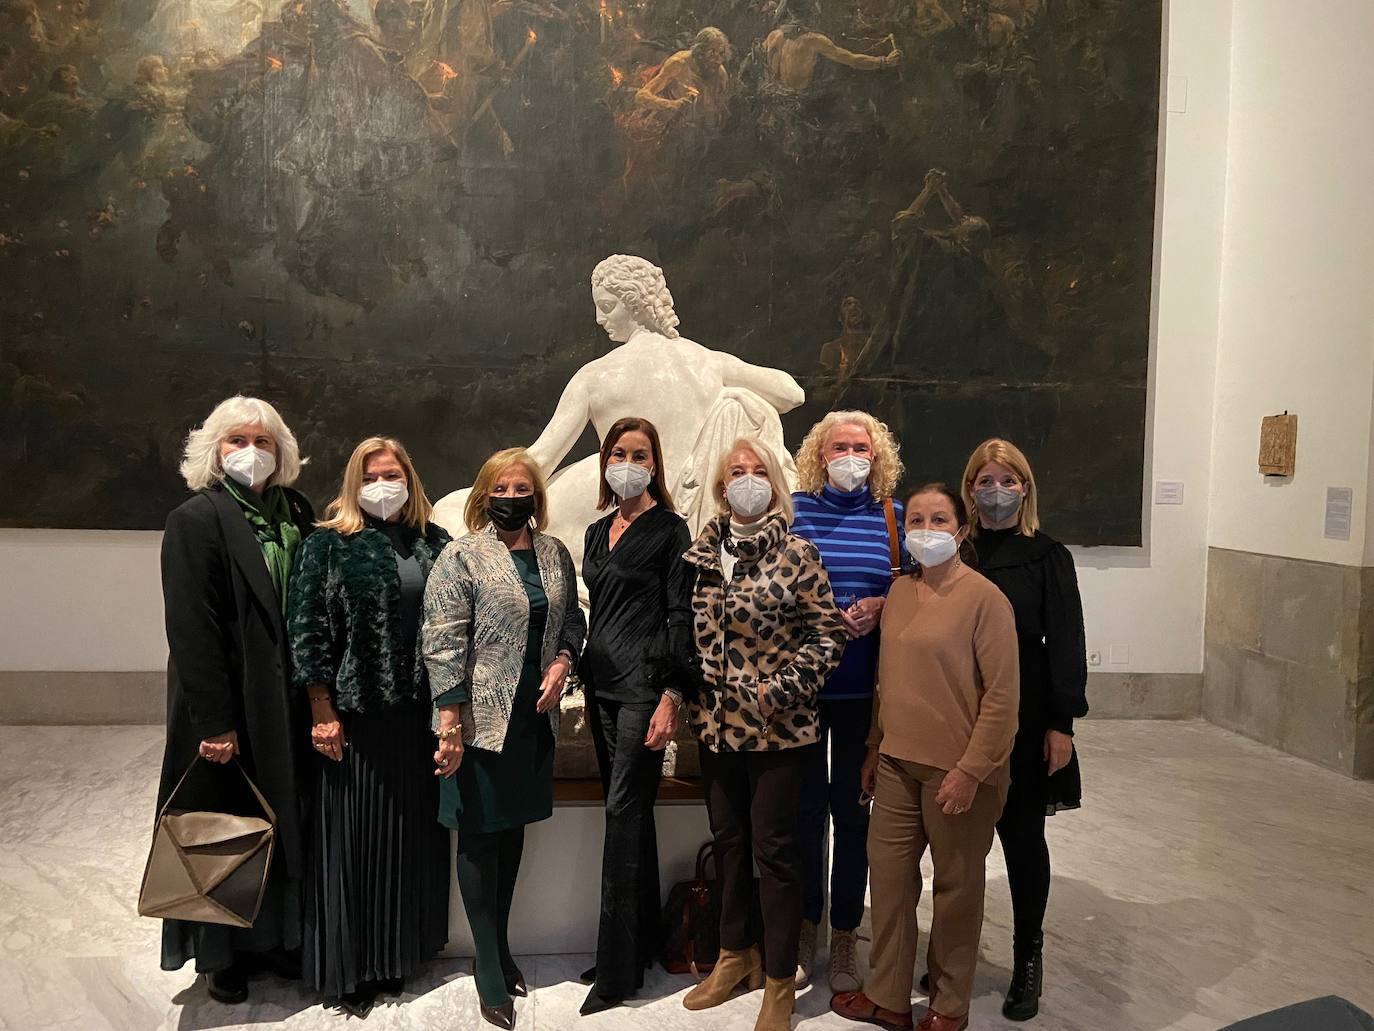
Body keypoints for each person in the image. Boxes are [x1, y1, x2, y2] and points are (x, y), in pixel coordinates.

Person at [832, 483, 1019, 1031]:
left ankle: (949, 1003)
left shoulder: (986, 600)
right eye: (916, 520)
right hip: (894, 763)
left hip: (959, 771)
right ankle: (887, 995)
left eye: (939, 519)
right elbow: (887, 683)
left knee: (957, 890)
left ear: (961, 530)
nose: (927, 530)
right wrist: (873, 747)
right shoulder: (901, 595)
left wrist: (971, 770)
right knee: (889, 883)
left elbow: (1003, 697)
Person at [680, 437, 846, 1031]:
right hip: (715, 729)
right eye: (736, 473)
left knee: (775, 854)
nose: (747, 481)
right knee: (729, 844)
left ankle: (779, 982)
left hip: (780, 732)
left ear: (774, 485)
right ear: (722, 488)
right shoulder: (699, 555)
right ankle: (733, 955)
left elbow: (828, 636)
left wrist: (776, 690)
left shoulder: (798, 554)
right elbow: (687, 636)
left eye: (758, 472)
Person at [155, 395, 315, 1005]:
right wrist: (215, 721)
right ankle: (222, 957)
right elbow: (191, 630)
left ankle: (277, 937)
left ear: (282, 452)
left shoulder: (295, 512)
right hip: (228, 701)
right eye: (236, 441)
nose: (251, 452)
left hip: (287, 700)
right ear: (214, 451)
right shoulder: (195, 520)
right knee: (226, 824)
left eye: (263, 441)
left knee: (281, 816)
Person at [287, 437, 452, 1017]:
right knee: (354, 843)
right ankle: (351, 965)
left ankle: (398, 956)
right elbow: (306, 629)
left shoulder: (435, 543)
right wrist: (320, 708)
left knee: (407, 841)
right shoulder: (327, 544)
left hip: (418, 719)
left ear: (411, 480)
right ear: (355, 483)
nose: (386, 484)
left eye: (395, 474)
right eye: (373, 475)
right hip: (354, 720)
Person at [423, 448, 586, 1030]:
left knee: (512, 830)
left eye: (523, 488)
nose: (513, 496)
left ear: (536, 498)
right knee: (478, 835)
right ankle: (487, 962)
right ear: (484, 494)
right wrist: (449, 722)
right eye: (502, 487)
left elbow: (572, 620)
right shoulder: (462, 554)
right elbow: (441, 640)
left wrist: (564, 660)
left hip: (532, 719)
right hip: (476, 722)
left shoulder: (553, 552)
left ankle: (502, 945)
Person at [963, 438, 1088, 1022]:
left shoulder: (1047, 556)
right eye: (985, 480)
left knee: (1022, 839)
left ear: (1024, 488)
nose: (996, 491)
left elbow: (1066, 641)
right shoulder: (953, 550)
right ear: (970, 489)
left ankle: (1027, 958)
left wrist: (1061, 724)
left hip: (1029, 714)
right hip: (961, 712)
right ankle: (954, 953)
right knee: (959, 844)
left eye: (1006, 481)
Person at [578, 417, 694, 1015]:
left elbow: (683, 615)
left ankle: (616, 974)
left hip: (644, 690)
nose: (628, 461)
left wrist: (673, 696)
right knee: (631, 818)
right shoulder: (597, 534)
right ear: (606, 461)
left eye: (640, 453)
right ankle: (639, 943)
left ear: (655, 464)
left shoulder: (673, 531)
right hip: (600, 688)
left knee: (623, 817)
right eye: (618, 452)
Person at [789, 410, 905, 993]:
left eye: (861, 447)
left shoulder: (894, 517)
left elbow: (914, 588)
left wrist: (884, 607)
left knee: (852, 817)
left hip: (866, 694)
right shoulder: (795, 511)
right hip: (803, 694)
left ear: (877, 456)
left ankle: (843, 933)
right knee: (807, 815)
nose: (851, 456)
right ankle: (807, 923)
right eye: (840, 446)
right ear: (820, 453)